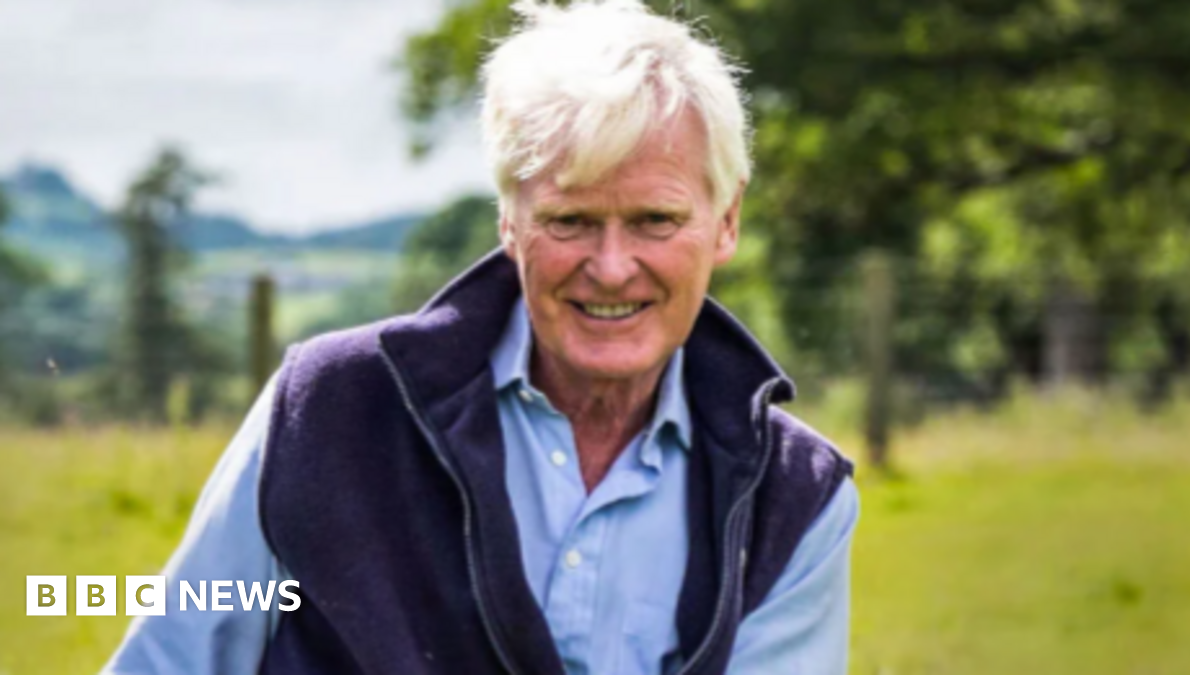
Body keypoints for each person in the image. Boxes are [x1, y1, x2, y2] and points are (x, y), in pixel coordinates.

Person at [103, 1, 858, 673]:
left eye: (655, 221)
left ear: (727, 219)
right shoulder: (327, 409)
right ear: (509, 220)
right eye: (570, 221)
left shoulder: (796, 500)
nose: (612, 267)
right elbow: (175, 652)